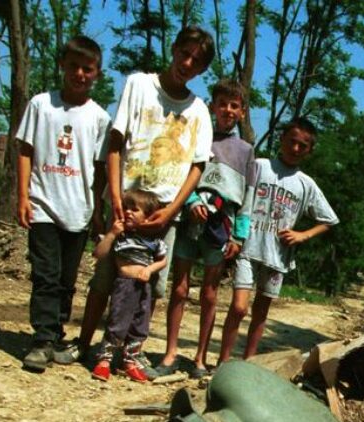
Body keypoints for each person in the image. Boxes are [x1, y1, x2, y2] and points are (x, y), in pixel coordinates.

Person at [63, 25, 216, 379]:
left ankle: (131, 352)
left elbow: (197, 166)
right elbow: (116, 142)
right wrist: (114, 197)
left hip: (163, 211)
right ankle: (85, 342)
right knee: (106, 278)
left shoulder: (199, 111)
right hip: (128, 201)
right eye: (185, 54)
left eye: (196, 61)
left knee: (150, 285)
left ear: (202, 70)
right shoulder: (139, 85)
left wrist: (172, 210)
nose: (187, 63)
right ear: (174, 49)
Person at [14, 36, 109, 372]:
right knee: (46, 275)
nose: (79, 74)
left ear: (97, 73)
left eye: (88, 69)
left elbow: (100, 169)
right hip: (43, 204)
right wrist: (23, 196)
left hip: (78, 211)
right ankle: (41, 340)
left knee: (67, 280)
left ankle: (55, 331)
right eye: (74, 66)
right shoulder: (42, 105)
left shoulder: (99, 118)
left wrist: (97, 210)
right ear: (62, 66)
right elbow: (25, 151)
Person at [157, 78, 256, 378]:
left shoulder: (245, 150)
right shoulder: (198, 136)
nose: (227, 110)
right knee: (180, 286)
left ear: (242, 112)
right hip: (191, 220)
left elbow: (247, 196)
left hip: (221, 225)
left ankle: (200, 357)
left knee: (210, 293)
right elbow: (182, 173)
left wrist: (240, 234)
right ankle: (170, 352)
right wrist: (190, 202)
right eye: (222, 103)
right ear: (212, 106)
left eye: (234, 106)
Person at [217, 118, 338, 363]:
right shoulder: (260, 166)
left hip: (277, 256)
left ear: (309, 150)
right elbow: (237, 196)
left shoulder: (306, 184)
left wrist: (303, 235)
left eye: (302, 146)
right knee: (239, 308)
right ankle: (223, 360)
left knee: (261, 313)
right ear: (282, 139)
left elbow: (329, 220)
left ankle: (249, 362)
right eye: (291, 141)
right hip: (248, 247)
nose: (295, 149)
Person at [89, 189, 170, 382]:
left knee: (140, 325)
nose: (128, 212)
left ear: (148, 217)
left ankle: (130, 361)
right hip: (124, 286)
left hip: (144, 287)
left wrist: (150, 270)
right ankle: (104, 360)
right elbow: (98, 254)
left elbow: (163, 261)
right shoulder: (121, 236)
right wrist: (111, 234)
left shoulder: (153, 241)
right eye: (126, 208)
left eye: (135, 209)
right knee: (117, 321)